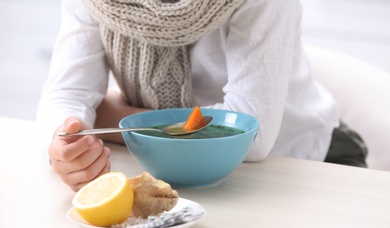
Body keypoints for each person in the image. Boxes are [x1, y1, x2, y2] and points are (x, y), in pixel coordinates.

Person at [37, 0, 367, 192]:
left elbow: (253, 133)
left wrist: (113, 115)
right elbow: (66, 93)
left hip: (306, 162)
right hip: (178, 171)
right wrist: (65, 145)